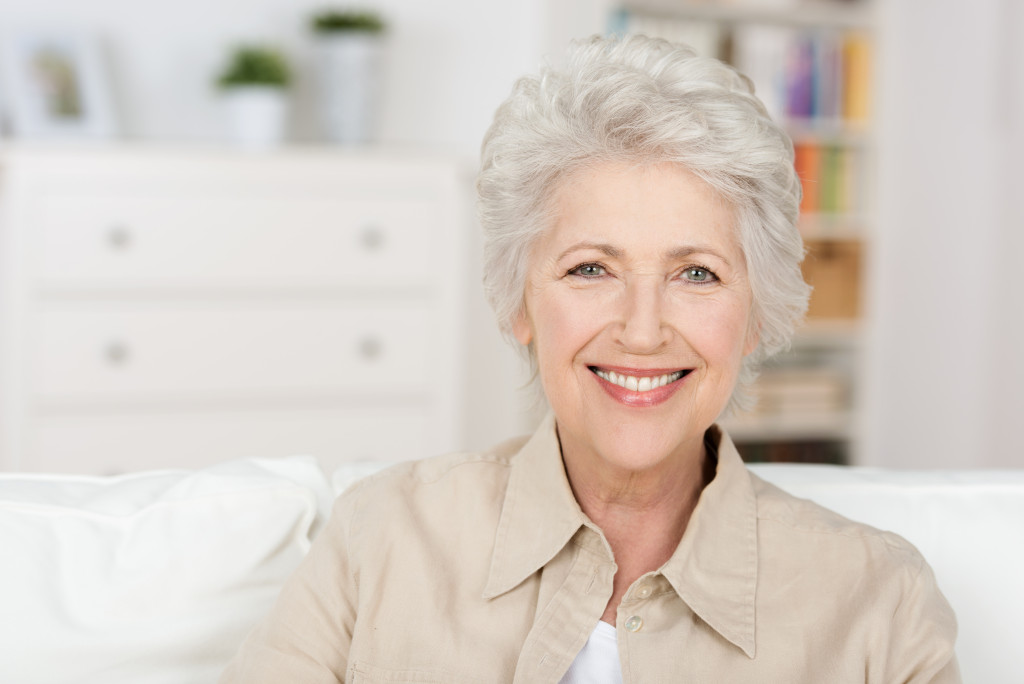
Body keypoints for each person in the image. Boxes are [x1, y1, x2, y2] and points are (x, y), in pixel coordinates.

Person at [222, 34, 959, 683]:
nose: (642, 332)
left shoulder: (877, 602)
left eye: (696, 273)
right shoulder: (377, 539)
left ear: (756, 313)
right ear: (518, 302)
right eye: (590, 270)